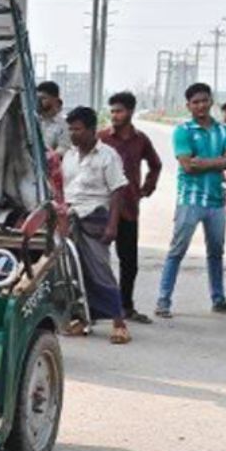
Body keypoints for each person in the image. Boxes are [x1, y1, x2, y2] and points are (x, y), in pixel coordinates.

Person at [155, 83, 226, 318]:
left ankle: (218, 298)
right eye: (195, 102)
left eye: (204, 100)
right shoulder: (183, 131)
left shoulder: (225, 130)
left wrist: (204, 162)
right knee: (177, 250)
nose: (201, 106)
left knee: (216, 252)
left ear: (211, 101)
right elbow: (188, 166)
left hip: (217, 200)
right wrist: (222, 162)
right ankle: (163, 301)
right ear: (188, 106)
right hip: (190, 199)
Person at [62, 106, 131, 344]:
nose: (73, 134)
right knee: (74, 273)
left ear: (92, 130)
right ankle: (82, 319)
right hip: (71, 216)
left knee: (100, 270)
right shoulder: (69, 155)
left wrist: (113, 225)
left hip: (95, 218)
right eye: (70, 129)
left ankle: (119, 323)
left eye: (78, 129)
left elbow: (117, 191)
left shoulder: (108, 156)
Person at [98, 91, 162, 324]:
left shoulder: (141, 140)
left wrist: (147, 188)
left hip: (129, 208)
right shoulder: (102, 138)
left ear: (131, 112)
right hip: (102, 207)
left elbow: (155, 164)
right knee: (97, 260)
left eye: (119, 111)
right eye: (112, 111)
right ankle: (97, 307)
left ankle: (127, 306)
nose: (115, 115)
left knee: (129, 262)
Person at [37, 81, 70, 155]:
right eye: (37, 98)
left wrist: (50, 156)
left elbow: (64, 148)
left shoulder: (64, 124)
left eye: (43, 98)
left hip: (51, 160)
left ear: (55, 100)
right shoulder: (34, 121)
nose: (39, 102)